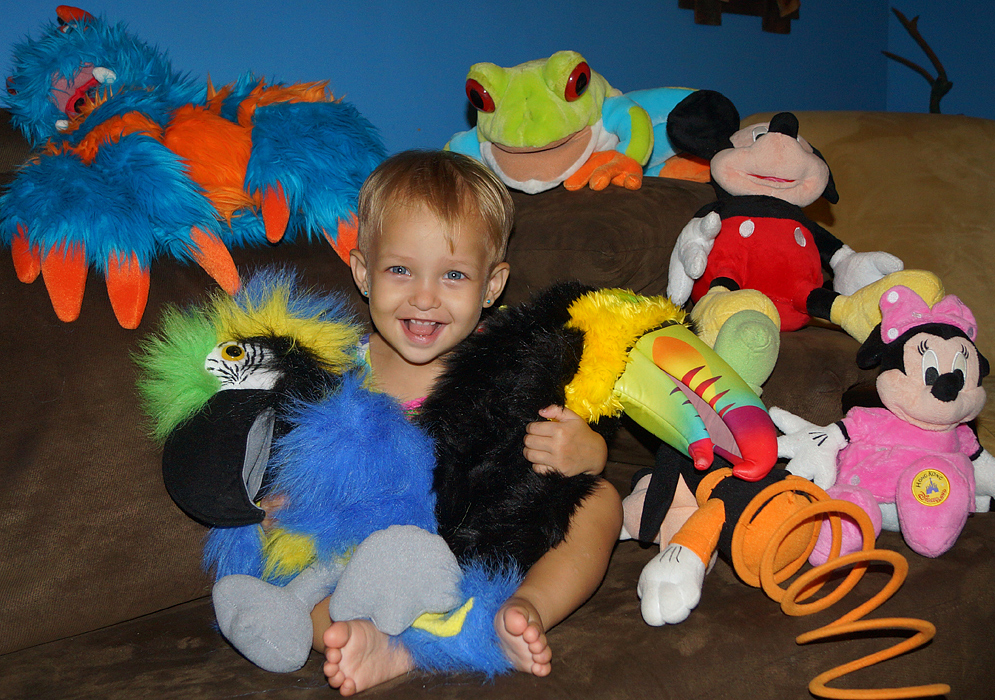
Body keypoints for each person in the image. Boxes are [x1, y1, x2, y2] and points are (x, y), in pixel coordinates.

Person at [303, 150, 623, 695]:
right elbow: (301, 459)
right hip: (375, 558)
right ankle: (385, 643)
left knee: (600, 501)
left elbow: (560, 451)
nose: (424, 297)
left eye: (453, 274)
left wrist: (584, 451)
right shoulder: (340, 371)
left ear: (492, 286)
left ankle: (526, 610)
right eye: (400, 269)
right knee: (297, 577)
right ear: (362, 271)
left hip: (484, 541)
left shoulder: (509, 366)